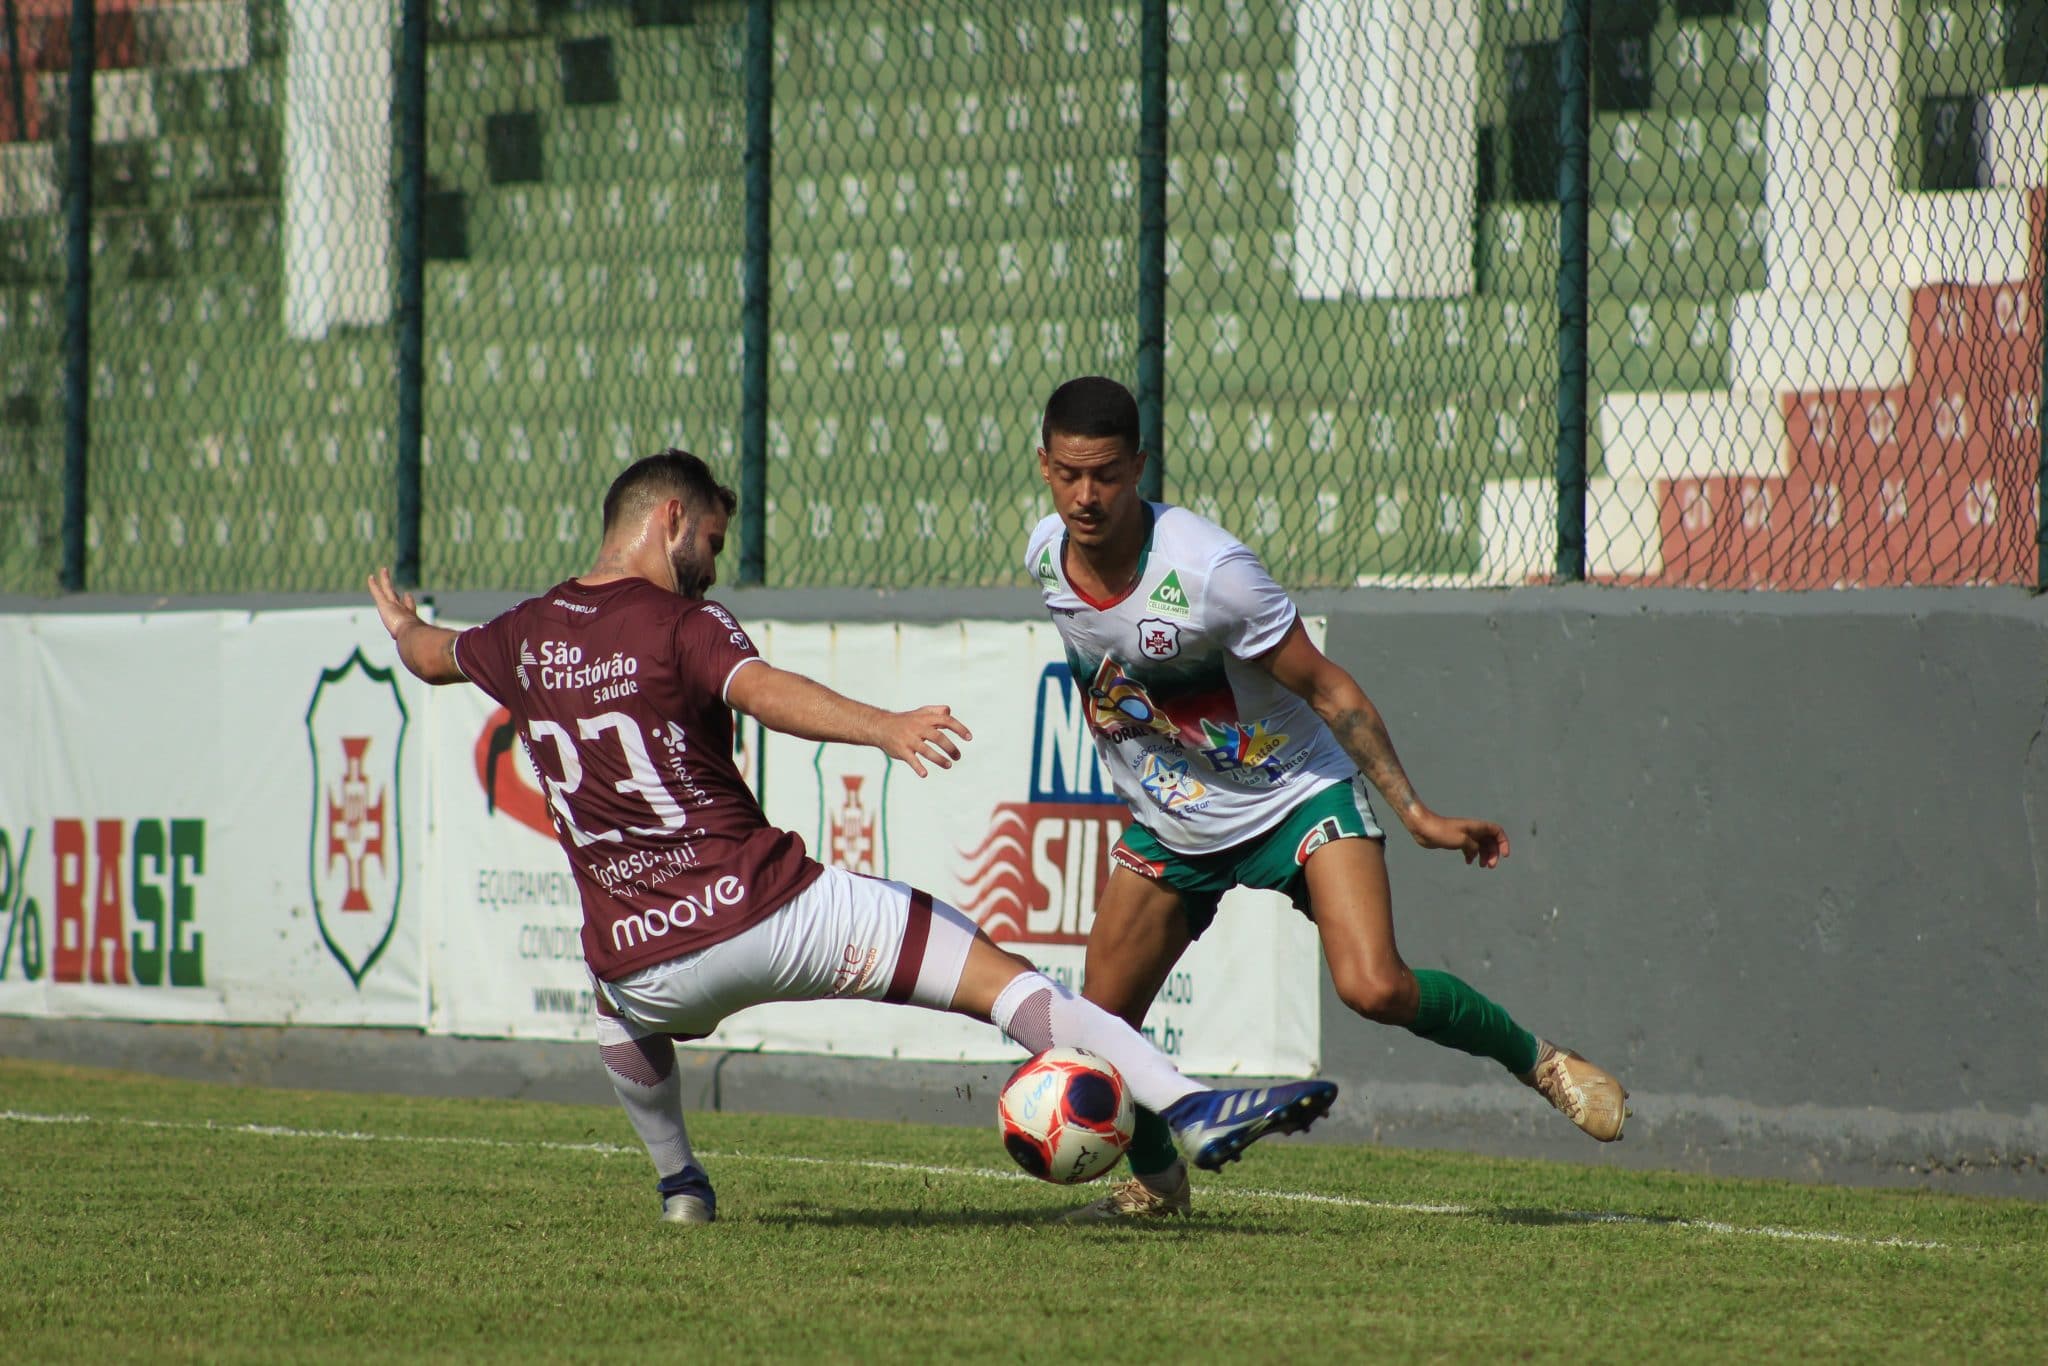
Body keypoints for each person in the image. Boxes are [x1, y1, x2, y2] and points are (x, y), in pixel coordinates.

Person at [366, 448, 1338, 1224]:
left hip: (644, 960)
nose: (709, 560)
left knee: (616, 1019)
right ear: (668, 522)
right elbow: (764, 691)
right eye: (707, 537)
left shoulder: (524, 631)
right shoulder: (678, 622)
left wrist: (405, 622)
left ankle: (680, 1187)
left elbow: (427, 656)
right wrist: (884, 726)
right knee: (1002, 981)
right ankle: (1185, 1101)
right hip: (772, 913)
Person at [1025, 378, 1628, 1222]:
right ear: (1044, 465)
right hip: (1175, 823)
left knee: (1374, 986)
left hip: (1291, 794)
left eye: (1108, 475)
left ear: (1140, 467)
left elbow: (1332, 690)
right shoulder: (1045, 555)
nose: (1086, 497)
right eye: (1069, 474)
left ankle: (1539, 1062)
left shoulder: (1210, 574)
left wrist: (1414, 813)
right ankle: (1160, 1189)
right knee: (1097, 1027)